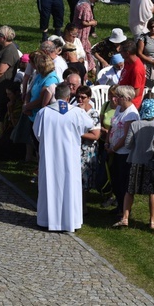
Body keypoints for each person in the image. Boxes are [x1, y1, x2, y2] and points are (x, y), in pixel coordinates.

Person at [33, 83, 93, 231]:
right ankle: (70, 222)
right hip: (69, 158)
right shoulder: (76, 112)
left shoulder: (44, 113)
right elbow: (90, 124)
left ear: (55, 96)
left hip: (50, 157)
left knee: (49, 186)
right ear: (69, 97)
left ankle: (46, 220)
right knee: (69, 187)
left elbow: (38, 134)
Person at [113, 99, 154, 229]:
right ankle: (152, 220)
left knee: (130, 191)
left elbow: (128, 144)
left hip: (135, 160)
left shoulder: (135, 125)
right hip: (151, 162)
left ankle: (125, 218)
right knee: (153, 192)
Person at [106, 85, 140, 216]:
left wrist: (113, 149)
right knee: (115, 180)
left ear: (127, 98)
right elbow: (112, 125)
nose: (116, 99)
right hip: (114, 150)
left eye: (119, 96)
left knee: (122, 182)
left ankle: (124, 209)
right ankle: (120, 205)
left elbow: (126, 136)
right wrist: (108, 142)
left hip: (124, 153)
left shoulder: (131, 114)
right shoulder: (119, 108)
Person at [74, 0, 107, 70]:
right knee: (83, 49)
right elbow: (84, 22)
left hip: (80, 31)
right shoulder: (85, 6)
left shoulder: (81, 2)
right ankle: (87, 67)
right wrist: (94, 22)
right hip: (81, 31)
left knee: (85, 46)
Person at [118, 40, 146, 109]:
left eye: (121, 51)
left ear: (127, 53)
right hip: (122, 99)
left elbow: (135, 93)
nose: (119, 53)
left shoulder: (137, 69)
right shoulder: (128, 61)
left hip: (130, 104)